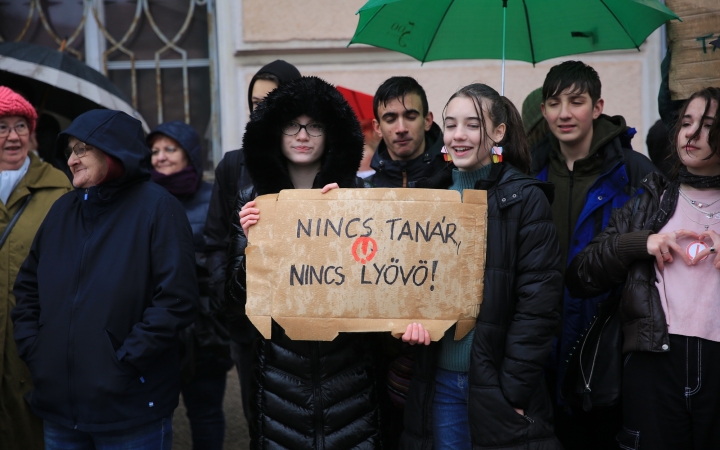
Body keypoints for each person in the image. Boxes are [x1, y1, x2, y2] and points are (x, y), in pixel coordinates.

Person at [11, 109, 198, 449]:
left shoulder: (158, 208)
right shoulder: (62, 210)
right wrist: (37, 352)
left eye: (82, 148)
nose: (71, 160)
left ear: (114, 150)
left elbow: (176, 300)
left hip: (130, 407)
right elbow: (27, 288)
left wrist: (122, 364)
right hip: (59, 408)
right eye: (69, 150)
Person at [400, 83, 563, 450]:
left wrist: (514, 392)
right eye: (451, 124)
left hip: (500, 390)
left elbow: (538, 306)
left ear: (498, 132)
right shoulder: (426, 198)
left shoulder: (524, 200)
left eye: (472, 125)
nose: (459, 135)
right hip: (439, 382)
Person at [225, 76, 383, 448]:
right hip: (281, 384)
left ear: (331, 134)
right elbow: (233, 304)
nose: (302, 134)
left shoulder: (361, 196)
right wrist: (254, 247)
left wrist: (348, 218)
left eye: (314, 125)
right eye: (292, 125)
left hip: (351, 381)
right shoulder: (252, 202)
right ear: (276, 133)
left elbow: (380, 287)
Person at [566, 87, 720, 449]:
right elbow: (580, 274)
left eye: (708, 124)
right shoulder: (650, 201)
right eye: (686, 122)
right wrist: (640, 243)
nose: (692, 134)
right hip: (654, 359)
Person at [529, 60, 657, 449]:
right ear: (543, 111)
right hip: (538, 349)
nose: (564, 113)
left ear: (597, 107)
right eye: (553, 103)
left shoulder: (634, 172)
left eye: (576, 101)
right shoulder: (528, 170)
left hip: (606, 351)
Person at [203, 60, 301, 423]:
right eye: (257, 104)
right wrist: (229, 296)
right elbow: (214, 241)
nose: (263, 110)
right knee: (259, 420)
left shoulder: (313, 161)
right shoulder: (233, 166)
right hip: (250, 329)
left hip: (305, 324)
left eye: (273, 101)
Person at [148, 121, 232, 450]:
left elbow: (223, 252)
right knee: (155, 412)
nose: (161, 157)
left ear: (190, 155)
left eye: (170, 149)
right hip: (158, 326)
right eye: (154, 150)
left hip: (205, 325)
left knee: (206, 411)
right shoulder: (142, 196)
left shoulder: (213, 196)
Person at [0, 86, 72, 450]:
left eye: (21, 126)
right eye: (1, 126)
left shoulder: (60, 191)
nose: (13, 136)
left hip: (34, 348)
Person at [366, 76, 448, 187]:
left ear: (427, 121)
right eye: (390, 120)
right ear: (378, 128)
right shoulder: (362, 192)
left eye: (410, 117)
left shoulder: (457, 181)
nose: (401, 129)